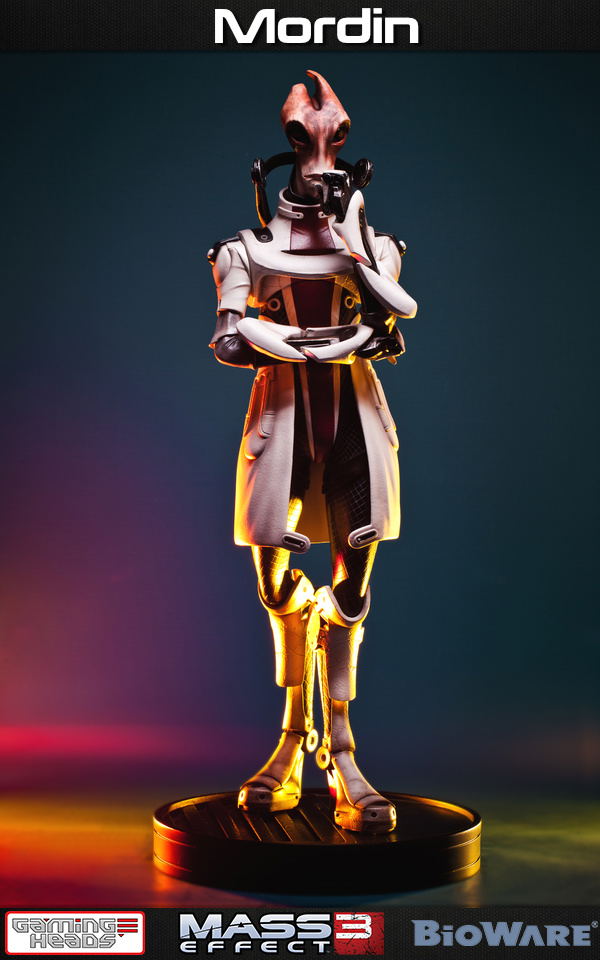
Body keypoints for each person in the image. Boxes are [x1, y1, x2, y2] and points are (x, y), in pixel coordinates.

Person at [209, 71, 417, 833]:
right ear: (288, 148)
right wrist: (285, 339)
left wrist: (355, 250)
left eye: (333, 141)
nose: (320, 161)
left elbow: (392, 325)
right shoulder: (243, 250)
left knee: (352, 593)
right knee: (276, 589)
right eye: (305, 141)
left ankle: (343, 752)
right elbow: (230, 339)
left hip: (357, 427)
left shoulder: (378, 248)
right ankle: (293, 740)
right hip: (280, 427)